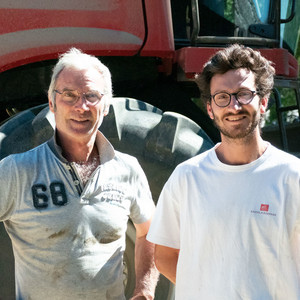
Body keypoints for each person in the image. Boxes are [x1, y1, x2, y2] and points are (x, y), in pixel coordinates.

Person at [0, 48, 159, 299]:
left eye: (92, 96)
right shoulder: (16, 171)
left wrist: (144, 289)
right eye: (69, 95)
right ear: (52, 103)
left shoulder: (127, 169)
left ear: (106, 105)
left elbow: (150, 231)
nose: (81, 106)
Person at [147, 44, 300, 299]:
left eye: (243, 94)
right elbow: (164, 256)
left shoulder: (292, 178)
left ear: (262, 102)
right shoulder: (186, 178)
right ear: (210, 108)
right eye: (222, 97)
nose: (234, 106)